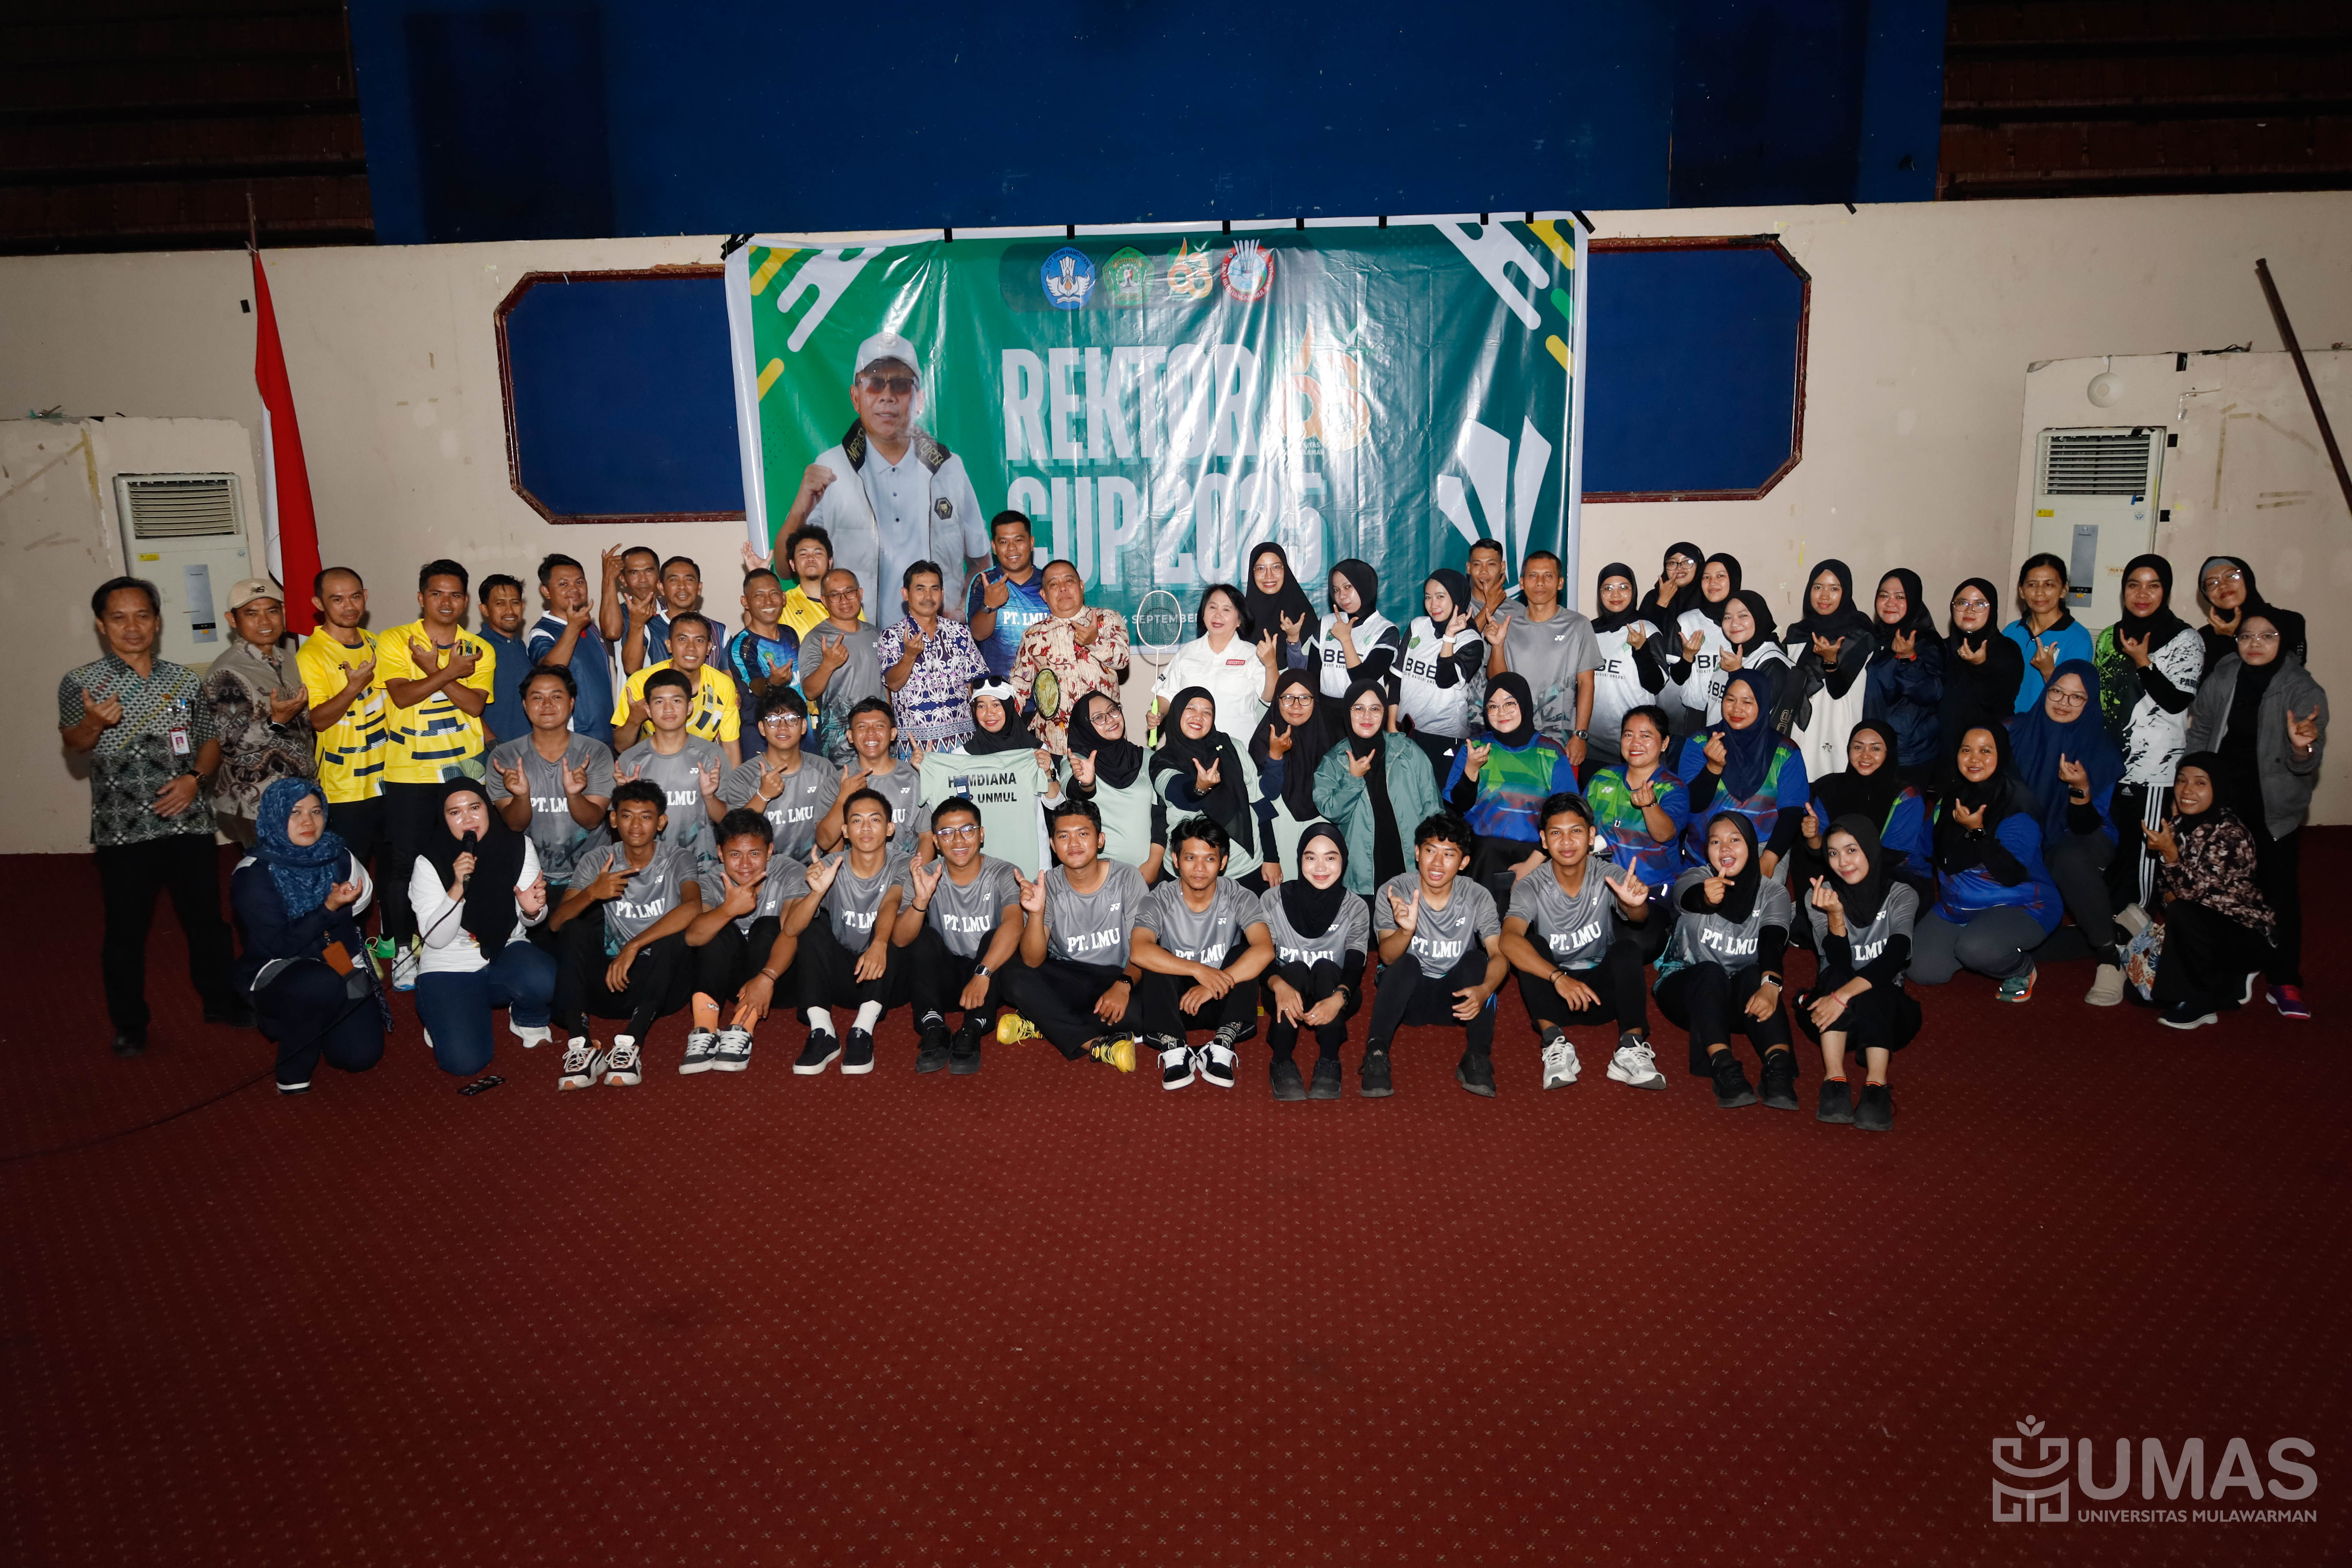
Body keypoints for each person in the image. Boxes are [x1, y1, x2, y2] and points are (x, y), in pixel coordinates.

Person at [62, 577, 249, 1056]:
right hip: (124, 829)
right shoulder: (81, 682)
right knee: (126, 931)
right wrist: (93, 723)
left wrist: (194, 779)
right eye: (119, 618)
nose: (133, 627)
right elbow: (74, 743)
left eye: (142, 615)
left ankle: (220, 1001)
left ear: (158, 622)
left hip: (188, 820)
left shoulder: (183, 680)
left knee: (207, 921)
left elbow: (208, 741)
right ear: (102, 625)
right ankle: (130, 1023)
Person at [777, 330, 989, 619]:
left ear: (919, 400)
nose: (887, 397)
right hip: (859, 640)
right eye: (875, 384)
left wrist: (961, 611)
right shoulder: (831, 468)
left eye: (901, 385)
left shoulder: (949, 468)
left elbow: (981, 562)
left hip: (935, 639)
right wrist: (801, 505)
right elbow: (784, 568)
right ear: (855, 397)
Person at [2187, 611, 2327, 1019]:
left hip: (2273, 806)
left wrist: (2301, 746)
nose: (2255, 644)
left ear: (2285, 642)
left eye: (2267, 636)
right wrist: (2191, 782)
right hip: (2224, 802)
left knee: (2278, 891)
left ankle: (2284, 979)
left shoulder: (2302, 688)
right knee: (2221, 888)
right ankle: (2232, 965)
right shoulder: (2224, 675)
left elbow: (2307, 761)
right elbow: (2201, 730)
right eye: (2247, 636)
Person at [376, 559, 496, 989]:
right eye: (437, 593)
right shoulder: (395, 640)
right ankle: (404, 948)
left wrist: (433, 670)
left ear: (466, 601)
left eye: (455, 595)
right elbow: (402, 696)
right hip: (409, 771)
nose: (446, 602)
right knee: (404, 864)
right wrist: (447, 672)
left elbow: (474, 705)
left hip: (464, 771)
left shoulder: (478, 648)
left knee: (465, 855)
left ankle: (462, 935)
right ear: (421, 597)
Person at [1500, 792, 1660, 1093]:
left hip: (1601, 995)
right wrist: (1558, 978)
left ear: (1590, 836)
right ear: (1544, 840)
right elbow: (1508, 940)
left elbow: (1638, 919)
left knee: (1627, 949)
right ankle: (1554, 1043)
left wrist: (1635, 905)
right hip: (1554, 997)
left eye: (1576, 831)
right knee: (1530, 944)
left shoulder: (1608, 874)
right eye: (1556, 833)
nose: (1567, 842)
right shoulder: (1530, 886)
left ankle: (1631, 1047)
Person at [231, 778, 383, 1094]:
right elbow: (281, 945)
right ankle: (292, 1069)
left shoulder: (338, 854)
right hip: (279, 967)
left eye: (316, 811)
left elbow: (362, 903)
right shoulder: (253, 873)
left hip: (337, 956)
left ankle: (319, 1017)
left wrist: (339, 910)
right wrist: (328, 908)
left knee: (360, 1057)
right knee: (317, 984)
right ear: (275, 815)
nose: (308, 822)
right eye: (295, 812)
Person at [549, 779, 704, 1088]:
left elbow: (693, 908)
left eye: (646, 817)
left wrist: (634, 946)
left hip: (662, 985)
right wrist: (592, 893)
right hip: (611, 982)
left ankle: (632, 1041)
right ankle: (581, 1045)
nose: (635, 826)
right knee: (575, 929)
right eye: (627, 816)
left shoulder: (678, 858)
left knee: (673, 938)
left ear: (661, 822)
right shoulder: (597, 860)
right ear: (613, 819)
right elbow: (556, 924)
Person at [408, 776, 558, 1076]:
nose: (468, 819)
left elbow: (532, 916)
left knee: (545, 978)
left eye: (475, 807)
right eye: (455, 812)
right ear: (444, 818)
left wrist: (532, 911)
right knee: (465, 1063)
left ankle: (527, 1019)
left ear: (488, 808)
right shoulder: (428, 862)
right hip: (450, 961)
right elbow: (437, 939)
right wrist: (456, 888)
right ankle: (442, 1015)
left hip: (505, 946)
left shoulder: (518, 846)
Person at [1655, 812, 1798, 1111]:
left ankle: (1779, 1069)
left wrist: (1771, 987)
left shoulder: (1773, 893)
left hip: (1740, 1001)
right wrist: (1706, 899)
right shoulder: (1696, 877)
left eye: (1735, 840)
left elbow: (1772, 942)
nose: (1725, 849)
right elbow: (1687, 897)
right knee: (1710, 973)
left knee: (1758, 977)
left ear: (1751, 846)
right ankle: (1724, 1067)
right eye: (1715, 842)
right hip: (1686, 991)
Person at [1910, 726, 2061, 1000]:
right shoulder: (1951, 799)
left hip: (2020, 904)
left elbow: (2010, 874)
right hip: (1959, 906)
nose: (1974, 759)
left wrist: (1978, 832)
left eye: (1985, 751)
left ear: (2001, 754)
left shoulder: (2018, 806)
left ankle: (2021, 968)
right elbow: (1923, 850)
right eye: (1966, 750)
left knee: (1976, 949)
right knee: (1922, 970)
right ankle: (1981, 940)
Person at [997, 799, 1148, 1071]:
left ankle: (1042, 1020)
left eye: (1083, 834)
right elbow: (1032, 960)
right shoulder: (1048, 885)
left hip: (1117, 975)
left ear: (1100, 840)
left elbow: (1143, 949)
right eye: (1064, 836)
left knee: (1143, 1014)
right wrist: (1035, 913)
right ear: (1053, 845)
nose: (1074, 844)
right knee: (1010, 974)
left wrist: (1124, 985)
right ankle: (1096, 1045)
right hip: (1068, 976)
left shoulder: (1128, 878)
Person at [2091, 556, 2205, 916]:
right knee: (2117, 847)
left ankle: (2139, 920)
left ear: (2165, 591)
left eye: (2153, 586)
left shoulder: (2185, 639)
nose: (2142, 594)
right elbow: (2100, 698)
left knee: (2146, 851)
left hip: (2154, 768)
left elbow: (2177, 700)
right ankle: (2114, 918)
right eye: (2134, 585)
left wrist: (2144, 662)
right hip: (2110, 764)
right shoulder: (2108, 637)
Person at [1367, 813, 1509, 1098]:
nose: (1437, 863)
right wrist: (1406, 931)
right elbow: (1387, 957)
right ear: (1417, 853)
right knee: (1405, 962)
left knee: (1477, 961)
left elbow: (1499, 955)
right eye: (1431, 851)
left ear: (1464, 862)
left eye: (1449, 855)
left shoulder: (1477, 896)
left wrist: (1484, 990)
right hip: (1407, 1000)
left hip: (1457, 1004)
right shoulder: (1395, 891)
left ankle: (1477, 1056)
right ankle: (1376, 1053)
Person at [2007, 661, 2127, 1001]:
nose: (2064, 702)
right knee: (2015, 946)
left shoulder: (2100, 750)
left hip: (2085, 832)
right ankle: (2118, 928)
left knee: (2069, 860)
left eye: (2078, 697)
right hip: (2030, 829)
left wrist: (2080, 789)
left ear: (2090, 703)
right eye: (2057, 692)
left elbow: (2086, 824)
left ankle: (2109, 955)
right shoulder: (2016, 731)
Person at [1132, 816, 1276, 1089]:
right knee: (1155, 956)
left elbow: (1265, 949)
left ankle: (1222, 1044)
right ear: (1175, 860)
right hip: (1176, 1006)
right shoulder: (1158, 899)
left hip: (1223, 1000)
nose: (1199, 868)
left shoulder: (1240, 896)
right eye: (1190, 858)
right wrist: (1199, 971)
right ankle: (1174, 1047)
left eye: (1209, 859)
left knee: (1245, 952)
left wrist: (1212, 984)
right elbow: (1139, 951)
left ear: (1223, 863)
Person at [1796, 815, 1920, 1132]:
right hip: (1833, 1018)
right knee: (1836, 976)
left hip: (1887, 1020)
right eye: (1833, 853)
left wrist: (1842, 996)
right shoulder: (1820, 896)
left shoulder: (1902, 894)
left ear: (1870, 849)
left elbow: (1895, 956)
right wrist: (1836, 916)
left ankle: (1876, 1086)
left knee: (1876, 984)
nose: (1843, 862)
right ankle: (1834, 1081)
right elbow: (1837, 962)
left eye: (1852, 850)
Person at [892, 795, 1026, 1073]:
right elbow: (900, 939)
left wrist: (983, 974)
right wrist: (921, 902)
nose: (958, 840)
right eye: (947, 833)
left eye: (967, 830)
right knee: (923, 936)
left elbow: (1015, 925)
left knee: (996, 936)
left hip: (988, 978)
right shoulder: (923, 875)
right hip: (946, 978)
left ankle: (972, 1029)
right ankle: (933, 1026)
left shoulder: (1004, 873)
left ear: (981, 834)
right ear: (936, 841)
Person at [783, 788, 911, 1073]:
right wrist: (817, 893)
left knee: (894, 929)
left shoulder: (903, 863)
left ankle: (862, 1032)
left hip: (887, 981)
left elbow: (891, 902)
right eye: (856, 821)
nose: (865, 828)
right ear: (845, 831)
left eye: (875, 820)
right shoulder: (830, 865)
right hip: (843, 979)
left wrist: (880, 943)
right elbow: (791, 929)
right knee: (811, 927)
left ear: (890, 829)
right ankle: (822, 1032)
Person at [486, 666, 616, 938]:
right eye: (537, 697)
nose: (547, 705)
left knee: (581, 946)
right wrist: (522, 796)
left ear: (572, 703)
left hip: (589, 878)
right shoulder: (505, 758)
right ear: (525, 705)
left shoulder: (595, 753)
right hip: (531, 880)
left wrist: (574, 794)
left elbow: (593, 820)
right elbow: (515, 825)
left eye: (556, 696)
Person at [680, 808, 806, 1073]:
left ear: (770, 851)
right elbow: (693, 938)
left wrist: (767, 977)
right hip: (734, 983)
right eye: (735, 854)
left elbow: (791, 933)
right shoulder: (711, 880)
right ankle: (705, 1029)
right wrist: (729, 910)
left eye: (755, 854)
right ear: (720, 853)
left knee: (767, 926)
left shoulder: (791, 872)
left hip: (778, 978)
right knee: (716, 929)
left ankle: (742, 1028)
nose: (746, 864)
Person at [1258, 822, 1370, 1101]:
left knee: (1324, 967)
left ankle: (1330, 1060)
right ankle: (1281, 1060)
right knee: (1295, 970)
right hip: (1284, 994)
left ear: (1343, 861)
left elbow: (1356, 964)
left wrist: (1339, 998)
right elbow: (1262, 956)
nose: (1320, 867)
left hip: (1336, 993)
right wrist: (1278, 985)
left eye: (1330, 858)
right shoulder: (1273, 900)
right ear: (1300, 860)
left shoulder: (1356, 907)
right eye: (1311, 857)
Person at [1444, 673, 1576, 905]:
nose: (1501, 713)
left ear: (1524, 704)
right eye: (1493, 706)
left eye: (1509, 704)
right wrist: (1471, 770)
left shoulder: (1551, 752)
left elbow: (1568, 817)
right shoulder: (1475, 747)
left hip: (1537, 858)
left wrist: (1532, 864)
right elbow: (1456, 808)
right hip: (1482, 859)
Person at [201, 576, 314, 845]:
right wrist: (276, 721)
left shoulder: (287, 659)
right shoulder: (228, 672)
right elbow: (229, 744)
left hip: (297, 794)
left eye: (272, 611)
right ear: (233, 620)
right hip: (256, 801)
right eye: (251, 614)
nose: (265, 622)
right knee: (269, 870)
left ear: (283, 613)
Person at [1314, 677, 1444, 897]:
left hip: (1410, 862)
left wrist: (1432, 855)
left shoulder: (1407, 750)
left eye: (1375, 709)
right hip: (1363, 871)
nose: (1367, 716)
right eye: (1359, 708)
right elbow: (1331, 811)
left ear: (1385, 713)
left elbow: (1433, 808)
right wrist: (1353, 778)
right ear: (1347, 712)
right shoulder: (1334, 760)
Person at [1582, 706, 1693, 958]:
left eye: (1646, 735)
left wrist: (1650, 805)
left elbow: (1665, 834)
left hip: (1651, 888)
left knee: (1637, 945)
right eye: (1628, 735)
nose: (1635, 743)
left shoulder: (1673, 788)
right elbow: (1580, 825)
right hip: (1600, 884)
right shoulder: (1603, 778)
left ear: (1665, 743)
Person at [1675, 669, 1807, 880]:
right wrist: (1713, 768)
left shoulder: (1785, 752)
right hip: (1705, 854)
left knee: (1763, 897)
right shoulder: (1701, 742)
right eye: (1730, 700)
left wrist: (1769, 859)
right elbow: (1692, 805)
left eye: (1747, 702)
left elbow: (1792, 814)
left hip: (1763, 850)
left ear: (1763, 705)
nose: (1737, 709)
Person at [915, 680, 1051, 876]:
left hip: (1030, 857)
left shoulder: (1035, 752)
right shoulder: (959, 757)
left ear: (1010, 707)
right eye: (981, 706)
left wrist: (1048, 773)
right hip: (977, 863)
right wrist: (928, 771)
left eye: (996, 705)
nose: (989, 713)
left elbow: (1055, 803)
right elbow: (943, 808)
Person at [1796, 719, 1932, 911]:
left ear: (1889, 753)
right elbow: (1820, 852)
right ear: (1849, 750)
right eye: (1858, 747)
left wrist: (1847, 868)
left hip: (1898, 876)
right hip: (1842, 869)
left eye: (1875, 749)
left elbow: (1894, 855)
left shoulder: (1906, 795)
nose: (1865, 755)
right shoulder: (1829, 788)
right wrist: (1813, 836)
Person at [1488, 550, 1600, 763]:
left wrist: (1580, 735)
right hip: (1512, 735)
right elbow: (1498, 682)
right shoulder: (1506, 623)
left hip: (1561, 739)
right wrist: (1497, 646)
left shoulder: (1578, 625)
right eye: (1533, 576)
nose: (1540, 582)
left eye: (1548, 576)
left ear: (1560, 583)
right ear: (1522, 583)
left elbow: (1587, 683)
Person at [1008, 559, 1130, 754]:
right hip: (1057, 741)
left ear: (1081, 586)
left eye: (1069, 581)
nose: (1063, 588)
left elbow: (1122, 661)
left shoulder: (1107, 619)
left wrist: (1094, 641)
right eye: (1054, 584)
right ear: (1044, 595)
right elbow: (1019, 688)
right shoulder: (1033, 636)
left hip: (1106, 734)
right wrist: (1004, 730)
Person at [1150, 688, 1267, 888]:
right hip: (1186, 868)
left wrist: (1272, 858)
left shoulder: (1233, 747)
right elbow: (1177, 792)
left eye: (1207, 712)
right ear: (1177, 712)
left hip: (1242, 866)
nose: (1199, 717)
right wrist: (1199, 787)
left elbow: (1260, 804)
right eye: (1191, 709)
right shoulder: (1161, 760)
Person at [1776, 559, 1877, 788]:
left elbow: (1839, 688)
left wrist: (1831, 660)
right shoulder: (1798, 633)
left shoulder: (1859, 635)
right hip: (1799, 730)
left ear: (1845, 593)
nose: (1824, 596)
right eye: (1818, 587)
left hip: (1838, 725)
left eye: (1834, 589)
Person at [614, 668, 729, 867]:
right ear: (648, 710)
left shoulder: (712, 755)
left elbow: (728, 820)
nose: (668, 709)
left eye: (676, 701)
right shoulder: (630, 760)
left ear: (689, 707)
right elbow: (618, 824)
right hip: (647, 871)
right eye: (659, 702)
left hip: (702, 868)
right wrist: (628, 799)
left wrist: (710, 797)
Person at [719, 687, 839, 866]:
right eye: (773, 720)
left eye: (792, 719)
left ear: (804, 726)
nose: (783, 727)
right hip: (762, 871)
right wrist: (762, 795)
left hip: (815, 868)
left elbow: (835, 832)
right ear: (762, 728)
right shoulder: (743, 776)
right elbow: (736, 836)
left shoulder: (824, 770)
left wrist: (832, 869)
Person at [1149, 583, 1279, 749]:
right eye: (1212, 607)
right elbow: (1167, 695)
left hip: (1238, 748)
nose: (1218, 615)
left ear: (1239, 620)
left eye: (1226, 609)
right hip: (1191, 749)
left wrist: (1271, 665)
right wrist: (1159, 714)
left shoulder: (1252, 654)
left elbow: (1269, 697)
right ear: (1203, 614)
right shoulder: (1188, 652)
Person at [878, 560, 990, 752]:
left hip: (963, 744)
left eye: (934, 589)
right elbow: (893, 684)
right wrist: (909, 656)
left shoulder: (960, 632)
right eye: (920, 589)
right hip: (915, 748)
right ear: (906, 594)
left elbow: (977, 687)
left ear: (942, 594)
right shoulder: (892, 636)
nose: (928, 596)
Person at [1060, 690, 1165, 883]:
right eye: (1099, 718)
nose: (1110, 720)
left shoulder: (1148, 758)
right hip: (1099, 878)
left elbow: (1160, 816)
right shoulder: (1076, 761)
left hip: (1145, 873)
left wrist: (1154, 863)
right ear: (1085, 726)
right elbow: (1072, 791)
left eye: (1113, 711)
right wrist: (1087, 783)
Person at [611, 612, 741, 764]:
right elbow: (621, 747)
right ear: (669, 645)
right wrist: (635, 719)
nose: (691, 648)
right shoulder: (641, 682)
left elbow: (731, 750)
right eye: (682, 639)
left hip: (701, 770)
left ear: (709, 648)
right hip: (649, 769)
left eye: (699, 641)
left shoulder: (723, 686)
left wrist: (734, 781)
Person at [1395, 569, 1487, 776]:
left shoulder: (1471, 641)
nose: (1433, 605)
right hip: (1406, 732)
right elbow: (1397, 677)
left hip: (1444, 736)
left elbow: (1445, 679)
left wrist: (1449, 637)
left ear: (1456, 598)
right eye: (1428, 597)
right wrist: (1392, 725)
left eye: (1440, 597)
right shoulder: (1418, 626)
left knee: (1440, 794)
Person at [1860, 568, 1945, 787]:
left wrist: (1909, 659)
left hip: (1907, 756)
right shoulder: (1872, 637)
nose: (1890, 603)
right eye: (1884, 595)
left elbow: (1931, 692)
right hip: (1871, 748)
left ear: (1914, 601)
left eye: (1900, 597)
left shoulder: (1925, 641)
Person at [1248, 671, 1335, 882]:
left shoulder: (1331, 742)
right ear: (1277, 701)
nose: (1296, 706)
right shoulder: (1262, 741)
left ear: (1315, 701)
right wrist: (1275, 755)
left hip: (1321, 831)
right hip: (1277, 835)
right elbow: (1266, 795)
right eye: (1288, 698)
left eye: (1305, 698)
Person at [1584, 563, 1670, 774]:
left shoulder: (1647, 630)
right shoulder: (1589, 631)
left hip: (1635, 746)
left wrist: (1641, 649)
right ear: (1600, 593)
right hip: (1590, 745)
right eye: (1608, 588)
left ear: (1634, 591)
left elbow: (1656, 684)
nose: (1616, 595)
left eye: (1624, 587)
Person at [526, 553, 616, 750]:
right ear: (546, 592)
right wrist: (573, 627)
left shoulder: (590, 627)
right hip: (574, 741)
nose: (574, 589)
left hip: (607, 736)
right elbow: (550, 671)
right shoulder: (542, 632)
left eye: (579, 582)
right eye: (563, 584)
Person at [798, 568, 885, 765]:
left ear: (860, 594)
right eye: (835, 595)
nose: (844, 600)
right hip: (840, 743)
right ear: (824, 600)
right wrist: (828, 665)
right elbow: (810, 692)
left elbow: (886, 686)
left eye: (849, 592)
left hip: (880, 737)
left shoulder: (876, 634)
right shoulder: (816, 639)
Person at [816, 697, 926, 853]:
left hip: (906, 865)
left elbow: (927, 837)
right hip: (855, 867)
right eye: (862, 727)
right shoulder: (837, 782)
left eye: (879, 726)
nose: (871, 733)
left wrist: (918, 869)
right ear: (850, 736)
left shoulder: (914, 777)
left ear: (893, 734)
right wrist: (843, 798)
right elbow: (825, 842)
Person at [1939, 576, 2024, 771]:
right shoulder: (1940, 649)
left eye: (1980, 604)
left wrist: (1980, 667)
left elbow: (1999, 704)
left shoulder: (2006, 651)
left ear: (1992, 609)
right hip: (1942, 755)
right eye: (1962, 603)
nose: (1969, 610)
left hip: (1984, 757)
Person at [1676, 587, 1788, 731]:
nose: (1734, 624)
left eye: (1743, 616)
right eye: (1728, 617)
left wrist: (1738, 672)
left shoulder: (1773, 661)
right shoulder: (1730, 652)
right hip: (1715, 740)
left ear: (1759, 617)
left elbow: (1761, 718)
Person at [723, 567, 801, 757]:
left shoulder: (790, 633)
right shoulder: (742, 645)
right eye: (759, 595)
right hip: (762, 736)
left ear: (783, 598)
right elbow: (755, 686)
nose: (768, 602)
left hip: (797, 727)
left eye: (774, 593)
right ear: (745, 602)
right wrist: (772, 682)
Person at [966, 511, 1052, 680]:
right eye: (1004, 542)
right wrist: (990, 605)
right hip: (996, 691)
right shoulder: (985, 582)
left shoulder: (1050, 582)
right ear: (994, 547)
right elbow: (978, 635)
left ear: (1031, 543)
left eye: (1018, 540)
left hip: (1046, 690)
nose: (1012, 548)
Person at [2003, 552, 2093, 713]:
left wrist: (2048, 671)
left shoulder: (2078, 639)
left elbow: (2074, 700)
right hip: (2006, 723)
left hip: (2047, 725)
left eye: (2049, 585)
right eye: (2032, 585)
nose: (2040, 592)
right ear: (2022, 591)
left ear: (2064, 590)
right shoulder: (2011, 631)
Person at [1309, 558, 1404, 711]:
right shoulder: (1327, 623)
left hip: (1363, 714)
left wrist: (1346, 639)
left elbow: (1363, 682)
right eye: (1336, 590)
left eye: (1348, 587)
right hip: (1324, 711)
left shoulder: (1386, 631)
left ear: (1365, 585)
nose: (1342, 596)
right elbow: (1312, 676)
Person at [1666, 552, 1744, 734]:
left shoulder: (1745, 623)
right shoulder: (1687, 622)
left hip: (1737, 716)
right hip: (1697, 716)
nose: (1712, 583)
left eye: (1721, 576)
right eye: (1706, 577)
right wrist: (1688, 657)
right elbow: (1677, 678)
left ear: (1734, 580)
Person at [2194, 555, 2306, 673]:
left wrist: (2235, 635)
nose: (2223, 586)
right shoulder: (2203, 638)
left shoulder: (2289, 622)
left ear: (2248, 579)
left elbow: (2287, 674)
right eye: (2212, 583)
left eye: (2231, 576)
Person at [629, 556, 726, 675]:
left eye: (689, 580)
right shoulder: (647, 627)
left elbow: (731, 681)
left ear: (699, 588)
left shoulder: (719, 631)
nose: (682, 586)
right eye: (674, 580)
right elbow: (631, 669)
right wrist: (637, 625)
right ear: (662, 588)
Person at [1245, 541, 1319, 680]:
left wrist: (1293, 639)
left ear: (1286, 570)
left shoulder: (1302, 616)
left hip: (1291, 691)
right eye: (1261, 569)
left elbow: (1306, 674)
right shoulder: (1241, 618)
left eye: (1276, 567)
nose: (1269, 576)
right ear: (1252, 573)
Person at [476, 572, 532, 746]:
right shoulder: (476, 649)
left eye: (515, 603)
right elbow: (464, 705)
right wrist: (492, 743)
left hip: (528, 749)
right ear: (485, 610)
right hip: (494, 751)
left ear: (522, 606)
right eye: (500, 604)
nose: (509, 611)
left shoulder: (520, 646)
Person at [599, 544, 662, 675]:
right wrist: (608, 578)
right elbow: (612, 633)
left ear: (658, 575)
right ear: (623, 580)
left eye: (649, 571)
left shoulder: (669, 613)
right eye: (634, 573)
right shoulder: (619, 614)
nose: (643, 580)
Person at [773, 525, 842, 641]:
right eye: (803, 554)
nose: (811, 559)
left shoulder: (847, 601)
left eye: (818, 553)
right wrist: (756, 577)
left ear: (830, 562)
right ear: (793, 565)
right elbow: (756, 633)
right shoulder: (783, 603)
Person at [1642, 541, 1703, 631]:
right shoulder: (1653, 598)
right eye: (1673, 563)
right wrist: (1662, 602)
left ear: (1699, 565)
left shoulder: (1707, 596)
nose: (1679, 568)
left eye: (1687, 562)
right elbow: (1644, 634)